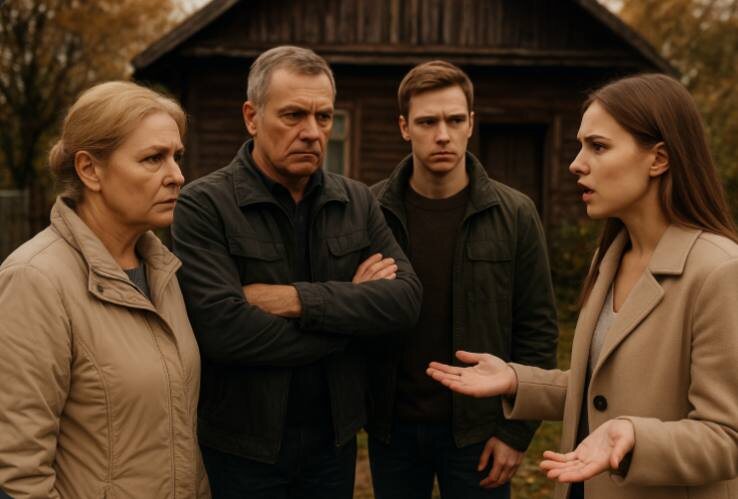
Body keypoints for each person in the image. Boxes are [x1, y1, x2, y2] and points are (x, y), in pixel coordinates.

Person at [427, 73, 738, 499]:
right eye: (580, 146)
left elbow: (727, 436)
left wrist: (634, 437)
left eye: (598, 146)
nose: (576, 163)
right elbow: (605, 388)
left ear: (659, 159)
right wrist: (516, 380)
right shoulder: (610, 259)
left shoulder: (719, 270)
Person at [171, 45, 422, 499]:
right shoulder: (204, 205)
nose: (311, 132)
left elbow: (405, 301)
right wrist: (348, 321)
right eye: (293, 116)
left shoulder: (356, 200)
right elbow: (223, 330)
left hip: (333, 443)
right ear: (252, 117)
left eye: (323, 117)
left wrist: (294, 300)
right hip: (242, 446)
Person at [0, 81, 210, 498]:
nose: (177, 176)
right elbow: (18, 470)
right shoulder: (34, 279)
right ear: (89, 170)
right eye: (153, 158)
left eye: (177, 157)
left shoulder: (162, 271)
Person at [367, 60, 558, 499]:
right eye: (427, 122)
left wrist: (515, 433)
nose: (442, 135)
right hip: (392, 430)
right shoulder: (369, 211)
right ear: (404, 127)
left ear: (471, 123)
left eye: (454, 120)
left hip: (479, 430)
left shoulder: (515, 214)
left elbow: (538, 330)